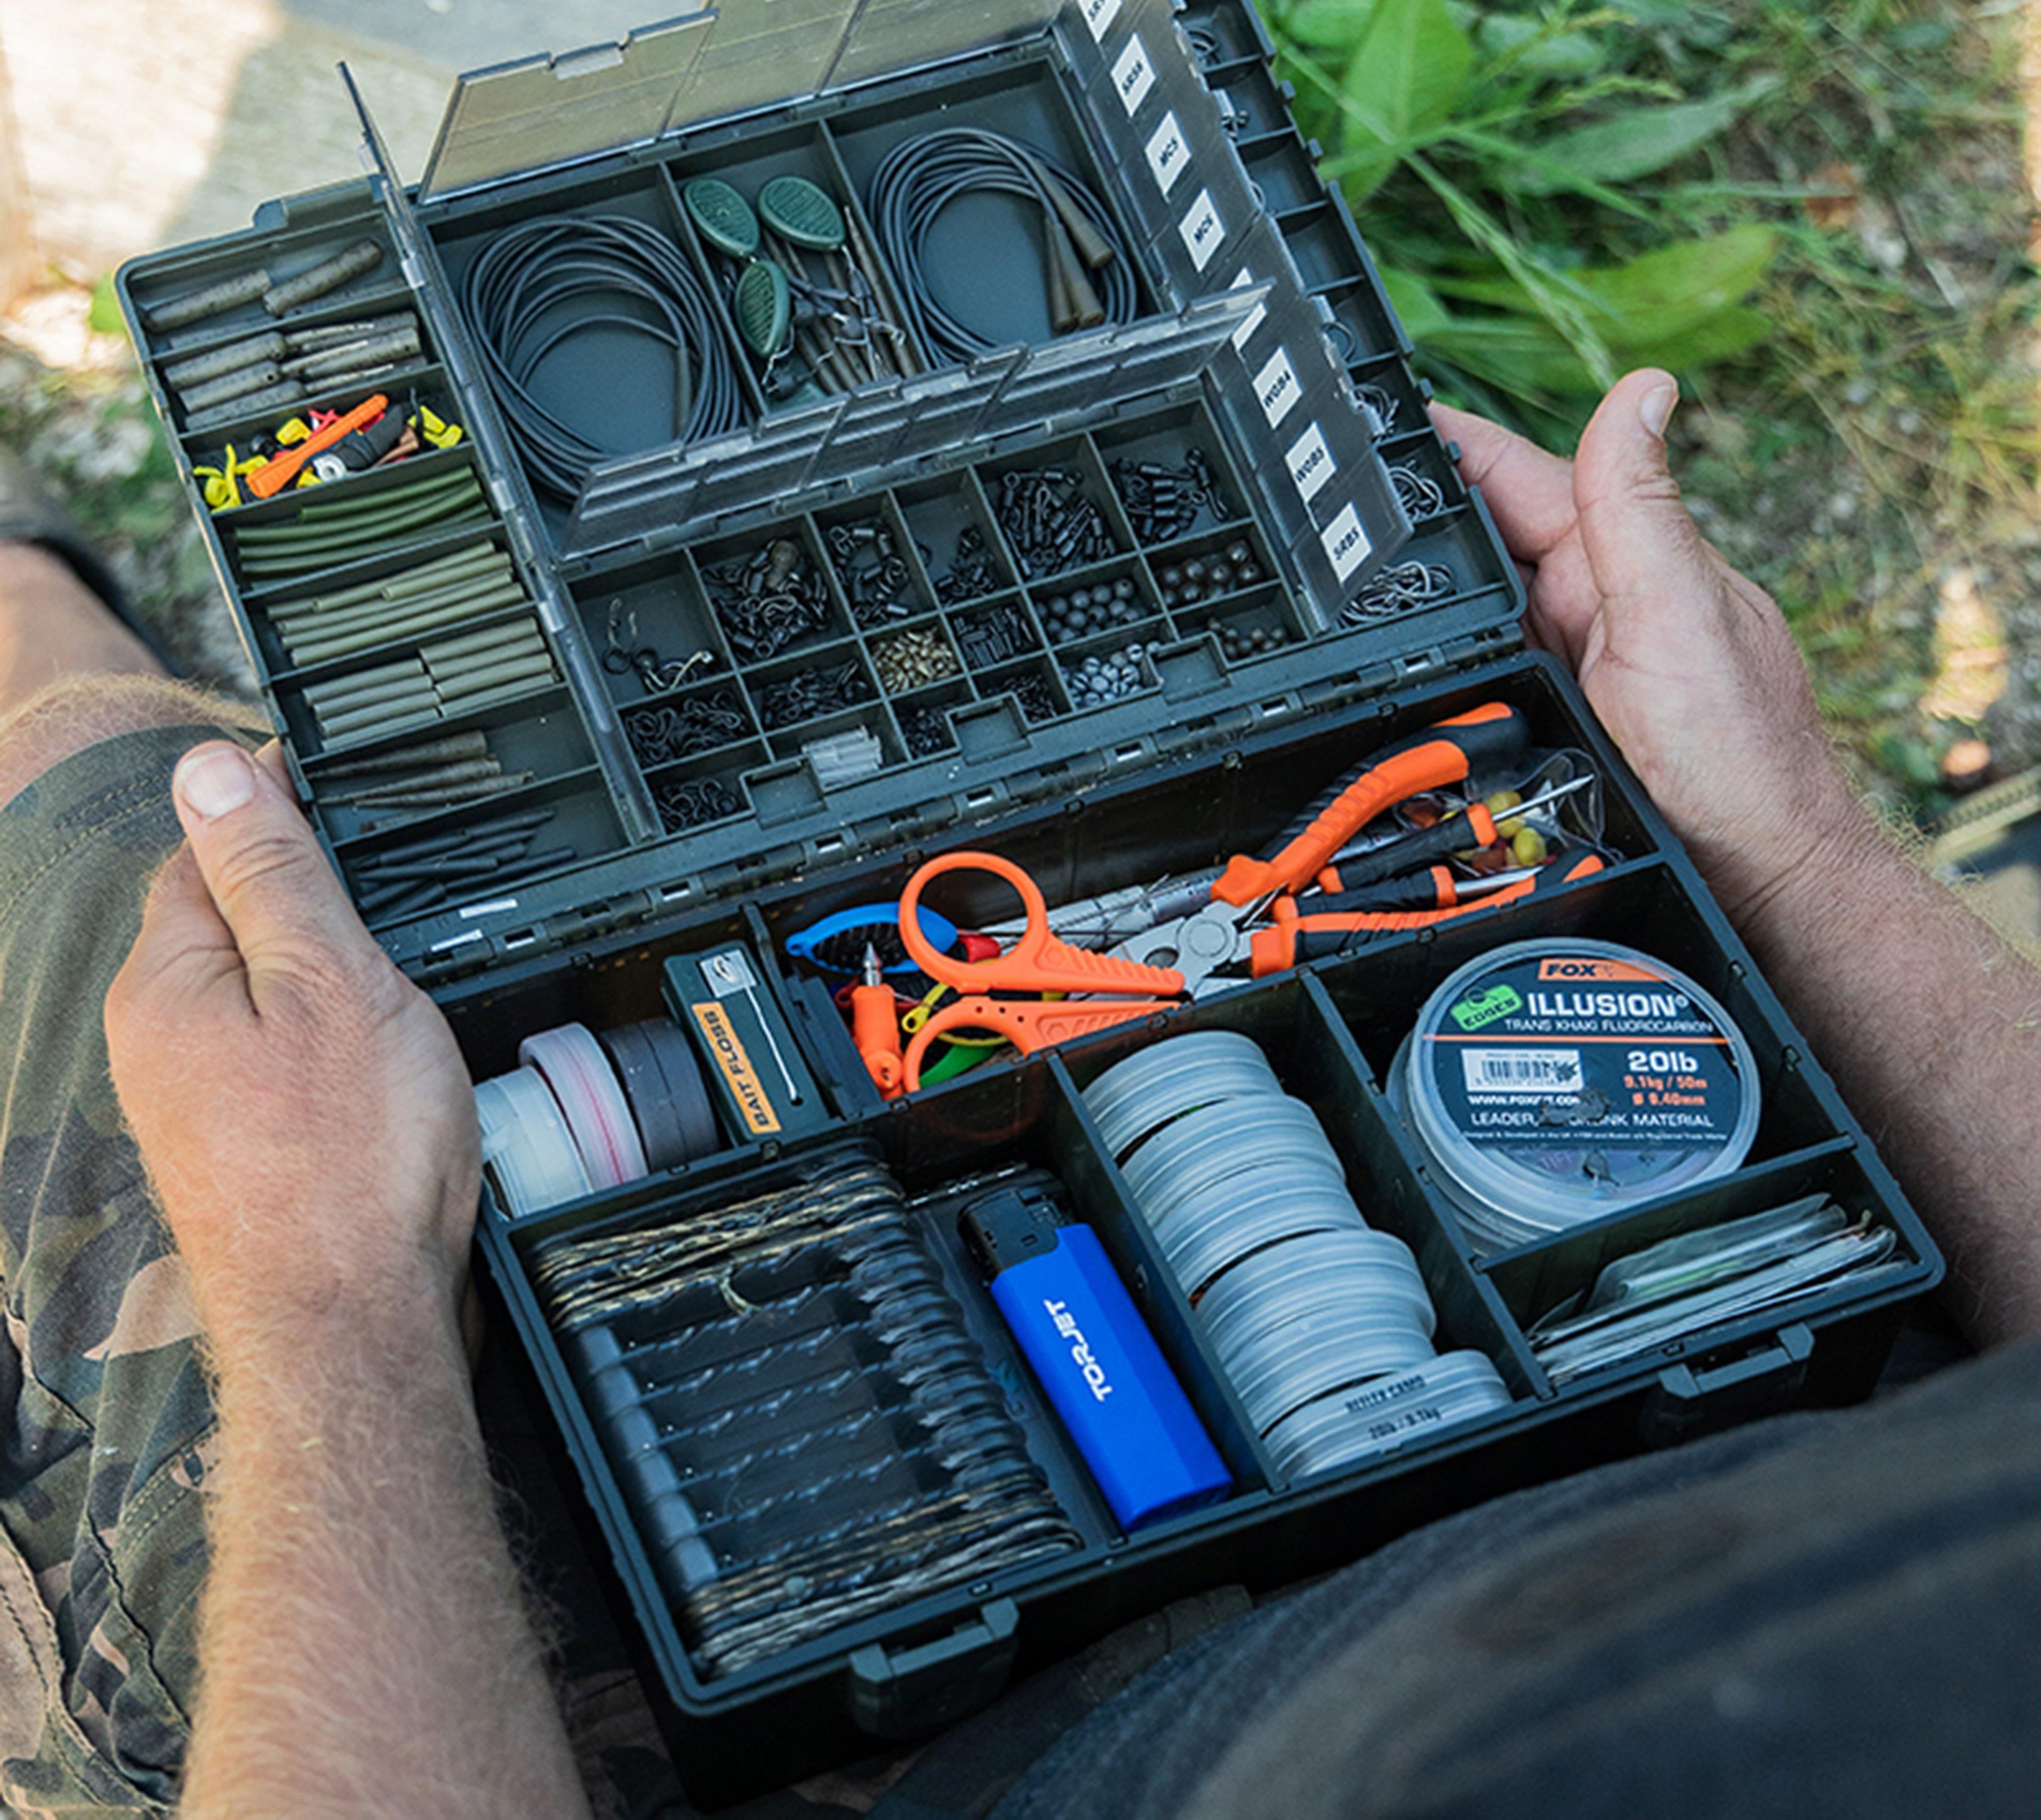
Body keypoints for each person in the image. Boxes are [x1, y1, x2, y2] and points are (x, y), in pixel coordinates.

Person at [0, 366, 2034, 1816]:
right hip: (1693, 1452)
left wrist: (326, 1293)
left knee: (109, 839)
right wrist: (1788, 849)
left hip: (968, 1717)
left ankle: (39, 611)